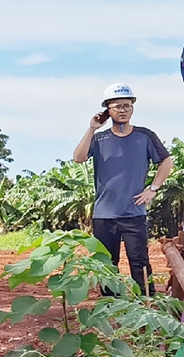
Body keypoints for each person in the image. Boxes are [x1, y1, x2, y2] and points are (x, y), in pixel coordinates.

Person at [73, 83, 173, 294]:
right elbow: (79, 158)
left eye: (127, 105)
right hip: (104, 215)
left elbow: (166, 161)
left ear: (132, 108)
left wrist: (153, 188)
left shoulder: (145, 136)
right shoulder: (99, 138)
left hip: (134, 213)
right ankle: (111, 304)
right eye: (117, 106)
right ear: (107, 110)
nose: (122, 110)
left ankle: (146, 301)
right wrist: (91, 128)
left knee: (139, 261)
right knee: (107, 264)